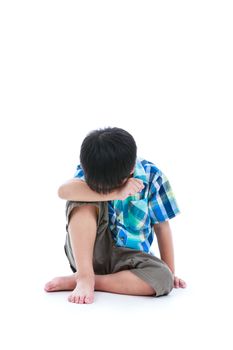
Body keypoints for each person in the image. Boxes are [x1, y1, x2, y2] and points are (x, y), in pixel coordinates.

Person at [44, 127, 186, 304]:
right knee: (80, 199)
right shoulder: (94, 168)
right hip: (90, 254)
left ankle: (89, 280)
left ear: (131, 169)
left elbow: (162, 227)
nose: (107, 190)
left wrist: (170, 272)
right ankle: (84, 275)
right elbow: (63, 191)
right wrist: (117, 193)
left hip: (130, 260)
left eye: (112, 186)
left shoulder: (153, 177)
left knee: (163, 278)